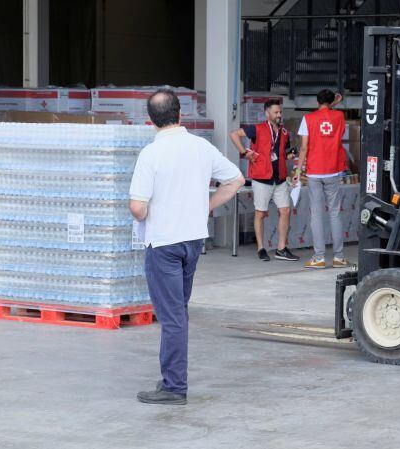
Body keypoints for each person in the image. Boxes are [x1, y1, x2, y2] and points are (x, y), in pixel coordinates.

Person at [130, 89, 245, 405]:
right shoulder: (201, 147)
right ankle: (171, 378)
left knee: (172, 317)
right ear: (180, 115)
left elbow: (138, 208)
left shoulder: (150, 154)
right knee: (177, 311)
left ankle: (174, 386)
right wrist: (207, 206)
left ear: (150, 121)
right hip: (193, 242)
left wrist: (151, 209)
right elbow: (236, 180)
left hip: (163, 244)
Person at [230, 99, 299, 262]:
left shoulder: (284, 133)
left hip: (280, 178)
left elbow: (283, 154)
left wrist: (291, 155)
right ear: (267, 113)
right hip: (262, 177)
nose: (279, 115)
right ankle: (261, 248)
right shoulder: (257, 129)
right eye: (276, 112)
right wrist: (244, 152)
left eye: (280, 112)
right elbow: (234, 135)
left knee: (286, 211)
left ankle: (281, 248)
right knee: (260, 213)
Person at [293, 89, 351, 269]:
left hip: (314, 171)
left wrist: (297, 170)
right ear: (332, 101)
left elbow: (303, 148)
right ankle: (339, 257)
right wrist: (334, 103)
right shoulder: (339, 116)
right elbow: (330, 116)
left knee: (316, 215)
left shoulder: (308, 119)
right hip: (332, 170)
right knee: (334, 213)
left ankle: (319, 258)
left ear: (316, 101)